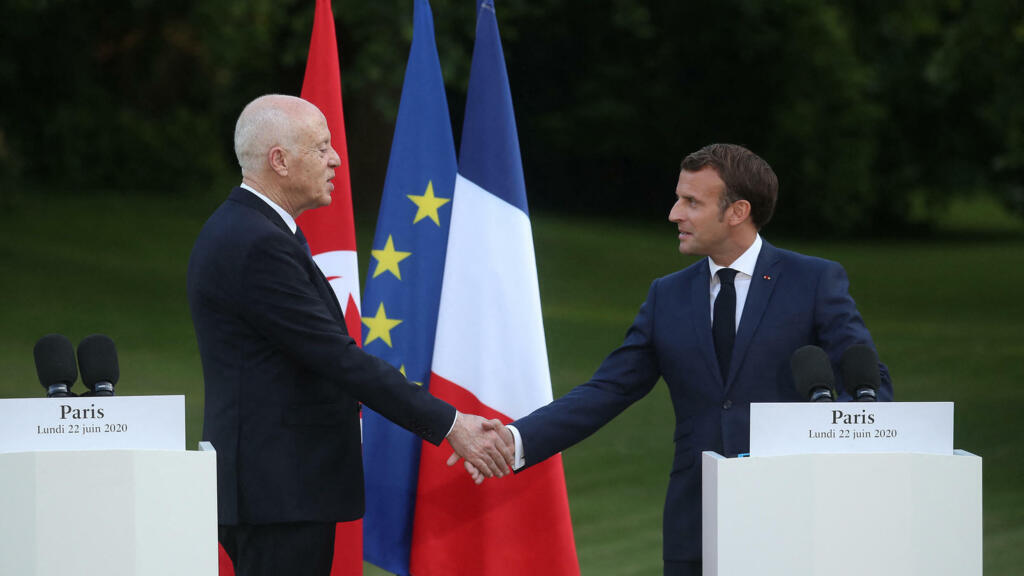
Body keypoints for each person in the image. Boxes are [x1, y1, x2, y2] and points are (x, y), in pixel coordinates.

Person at [477, 143, 893, 576]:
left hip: (796, 519)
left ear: (737, 212)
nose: (674, 214)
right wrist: (514, 439)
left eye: (692, 202)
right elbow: (609, 389)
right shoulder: (667, 295)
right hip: (696, 524)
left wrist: (832, 437)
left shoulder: (813, 280)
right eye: (679, 199)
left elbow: (869, 382)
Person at [187, 94, 512, 576]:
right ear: (279, 160)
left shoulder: (252, 230)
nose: (336, 159)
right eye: (321, 148)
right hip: (277, 496)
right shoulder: (256, 244)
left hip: (279, 491)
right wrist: (451, 425)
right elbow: (339, 359)